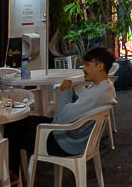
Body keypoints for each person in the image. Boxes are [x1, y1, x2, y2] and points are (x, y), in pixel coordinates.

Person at [6, 47, 116, 177]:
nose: (84, 69)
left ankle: (12, 174)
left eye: (87, 64)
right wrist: (73, 95)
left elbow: (62, 116)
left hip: (66, 143)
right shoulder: (105, 87)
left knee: (13, 130)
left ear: (100, 66)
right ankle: (13, 172)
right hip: (76, 137)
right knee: (20, 122)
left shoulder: (98, 93)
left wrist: (66, 92)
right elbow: (82, 107)